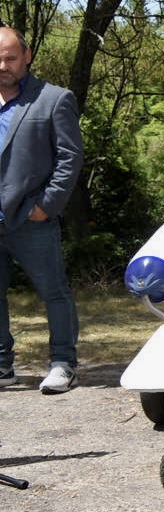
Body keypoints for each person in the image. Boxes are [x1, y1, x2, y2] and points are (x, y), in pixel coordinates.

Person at [0, 27, 84, 394]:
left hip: (31, 219)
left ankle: (63, 363)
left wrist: (46, 207)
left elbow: (69, 158)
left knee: (54, 292)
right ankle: (3, 366)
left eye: (10, 58)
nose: (3, 65)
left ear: (28, 55)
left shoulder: (53, 99)